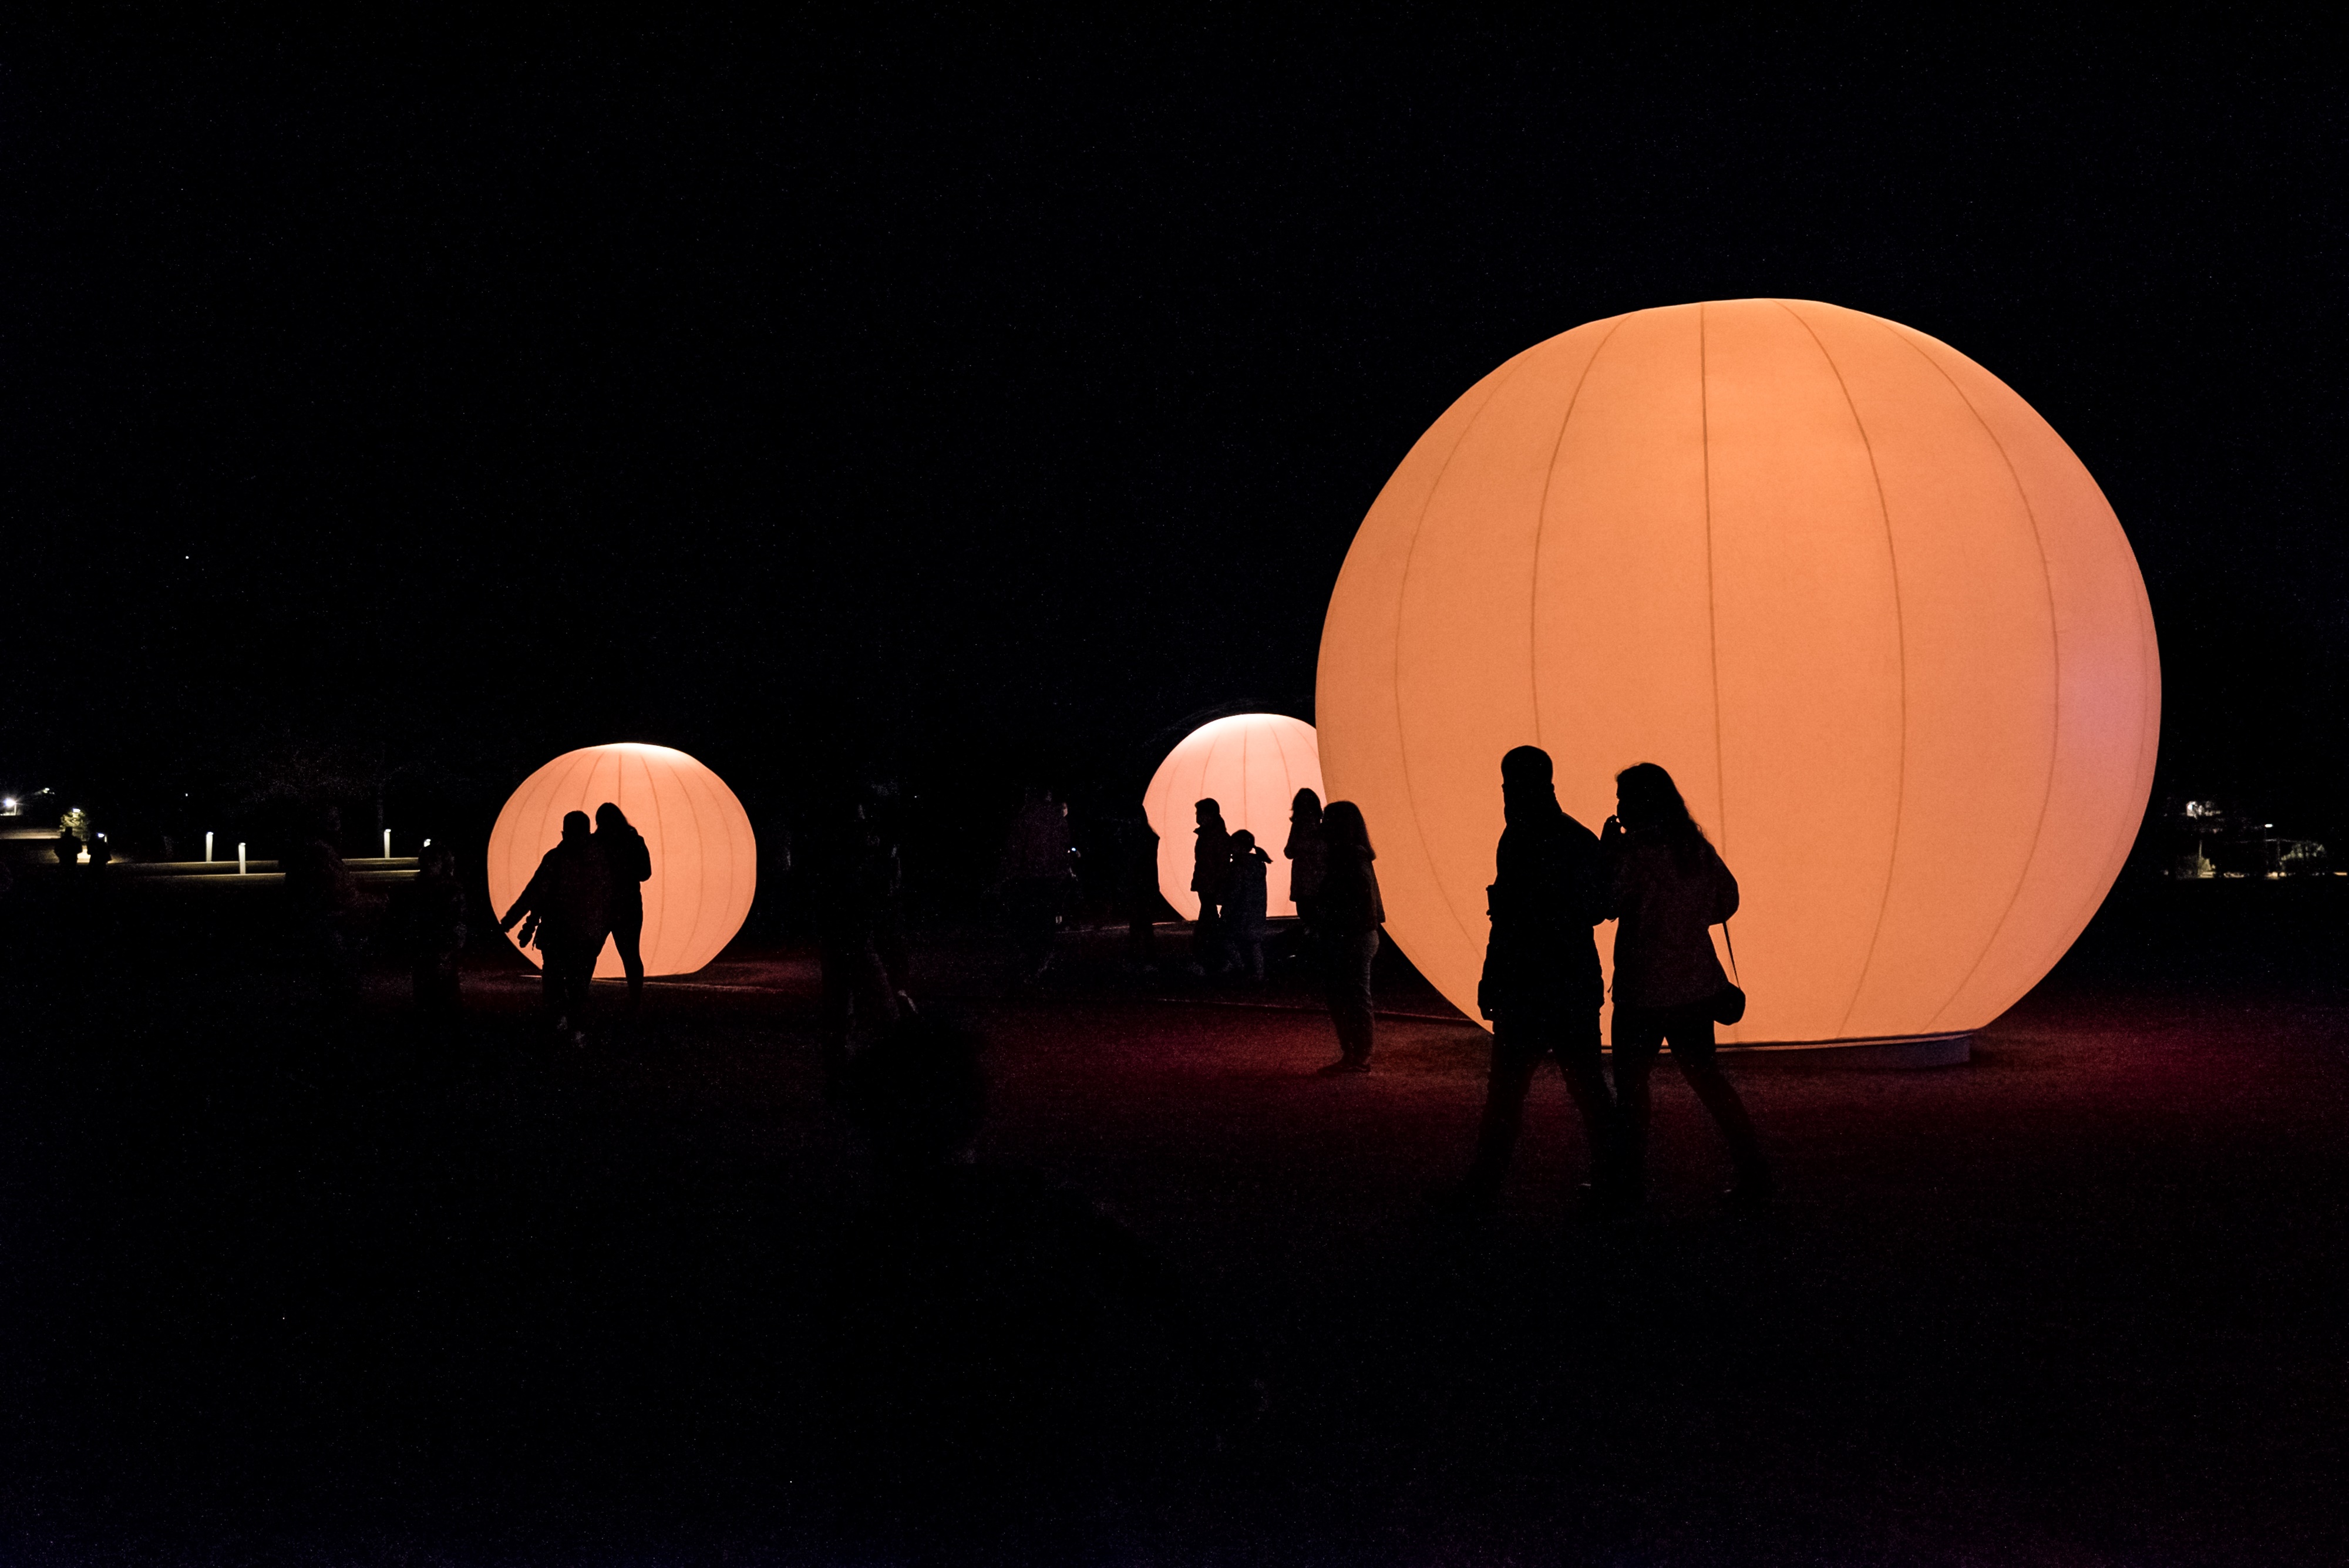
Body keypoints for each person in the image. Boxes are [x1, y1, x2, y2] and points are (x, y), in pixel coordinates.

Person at [1435, 746, 1616, 1214]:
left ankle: (1483, 1187)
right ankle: (1616, 1181)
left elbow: (1509, 920)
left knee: (1508, 1094)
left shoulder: (1515, 838)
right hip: (1572, 981)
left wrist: (1493, 974)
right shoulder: (1575, 838)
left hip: (1525, 985)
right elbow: (1599, 908)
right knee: (1588, 1089)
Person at [1600, 762, 1771, 1207]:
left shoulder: (1634, 854)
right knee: (1708, 1080)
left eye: (1623, 800)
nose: (1618, 807)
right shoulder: (1693, 848)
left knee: (1632, 1089)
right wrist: (1691, 920)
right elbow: (1727, 898)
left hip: (1642, 992)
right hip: (1695, 988)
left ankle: (1627, 1183)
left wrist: (1608, 853)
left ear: (1637, 805)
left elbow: (1606, 903)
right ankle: (1752, 1169)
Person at [499, 810, 611, 1044]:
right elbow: (609, 896)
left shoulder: (555, 858)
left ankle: (558, 1023)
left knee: (554, 982)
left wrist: (511, 921)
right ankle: (577, 1030)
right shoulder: (601, 858)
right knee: (579, 984)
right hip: (588, 935)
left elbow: (534, 893)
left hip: (557, 933)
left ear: (564, 831)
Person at [1315, 800, 1383, 1074]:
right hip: (1358, 934)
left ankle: (1357, 1056)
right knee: (1351, 996)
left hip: (1351, 936)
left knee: (1350, 997)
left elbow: (1357, 898)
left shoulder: (1349, 857)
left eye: (1326, 820)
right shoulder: (1355, 854)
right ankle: (1356, 1055)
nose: (1321, 825)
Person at [998, 785, 1077, 984]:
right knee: (1046, 922)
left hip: (1028, 878)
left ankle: (1033, 964)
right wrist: (1066, 871)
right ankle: (1042, 963)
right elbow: (1064, 848)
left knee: (1028, 922)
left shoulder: (1024, 820)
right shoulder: (1058, 821)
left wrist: (1009, 875)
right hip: (1051, 878)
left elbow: (1015, 851)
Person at [594, 802, 653, 1012]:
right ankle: (635, 1001)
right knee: (631, 955)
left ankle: (577, 998)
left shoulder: (594, 843)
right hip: (629, 905)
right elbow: (645, 873)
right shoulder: (634, 840)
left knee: (589, 953)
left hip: (601, 906)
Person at [409, 842, 467, 1018]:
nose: (427, 865)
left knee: (442, 992)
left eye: (433, 861)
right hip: (427, 948)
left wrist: (449, 947)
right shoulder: (421, 890)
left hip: (441, 949)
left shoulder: (449, 891)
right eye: (425, 861)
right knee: (430, 993)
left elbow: (457, 922)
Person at [1189, 798, 1233, 974]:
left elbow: (1218, 863)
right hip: (1207, 883)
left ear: (1209, 815)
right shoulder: (1214, 835)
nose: (1197, 816)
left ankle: (1210, 960)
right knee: (1211, 922)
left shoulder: (1214, 836)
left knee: (1208, 923)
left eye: (1199, 813)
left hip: (1209, 884)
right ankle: (1218, 959)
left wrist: (1216, 883)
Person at [1221, 829, 1272, 981]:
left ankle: (1240, 967)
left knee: (1227, 939)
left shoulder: (1238, 867)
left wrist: (1226, 911)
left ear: (1238, 846)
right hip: (1256, 911)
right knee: (1255, 943)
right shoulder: (1259, 865)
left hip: (1240, 911)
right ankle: (1259, 973)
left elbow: (1234, 893)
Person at [1283, 788, 1326, 965]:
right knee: (1319, 919)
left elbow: (1289, 851)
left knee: (1307, 916)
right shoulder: (1323, 827)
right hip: (1321, 881)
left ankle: (1311, 953)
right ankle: (1320, 954)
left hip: (1303, 881)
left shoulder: (1299, 825)